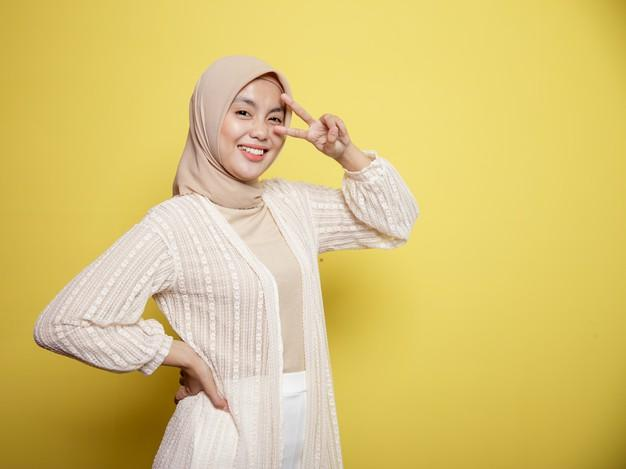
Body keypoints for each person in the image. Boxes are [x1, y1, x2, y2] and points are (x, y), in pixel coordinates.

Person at [33, 55, 420, 469]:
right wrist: (180, 354)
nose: (261, 132)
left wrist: (345, 153)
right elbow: (61, 324)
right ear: (208, 116)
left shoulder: (293, 205)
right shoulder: (176, 225)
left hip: (306, 428)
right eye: (243, 112)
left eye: (275, 118)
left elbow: (395, 222)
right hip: (223, 436)